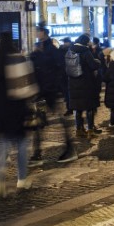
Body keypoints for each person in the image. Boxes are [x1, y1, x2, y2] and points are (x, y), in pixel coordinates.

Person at [0, 31, 36, 197]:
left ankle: (0, 180)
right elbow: (30, 81)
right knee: (22, 143)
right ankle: (22, 179)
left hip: (1, 107)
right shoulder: (19, 58)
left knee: (2, 142)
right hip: (19, 107)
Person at [31, 26, 76, 163]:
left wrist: (54, 86)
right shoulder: (40, 50)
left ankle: (69, 147)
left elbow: (59, 69)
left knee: (56, 120)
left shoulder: (52, 50)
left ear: (43, 33)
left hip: (50, 90)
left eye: (37, 31)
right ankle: (37, 152)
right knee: (39, 122)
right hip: (42, 91)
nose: (36, 33)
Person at [66, 34, 103, 137]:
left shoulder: (70, 51)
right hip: (86, 82)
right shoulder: (85, 51)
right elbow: (93, 65)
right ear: (85, 42)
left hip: (73, 83)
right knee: (89, 107)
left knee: (78, 108)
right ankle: (90, 130)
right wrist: (98, 62)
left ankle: (79, 129)